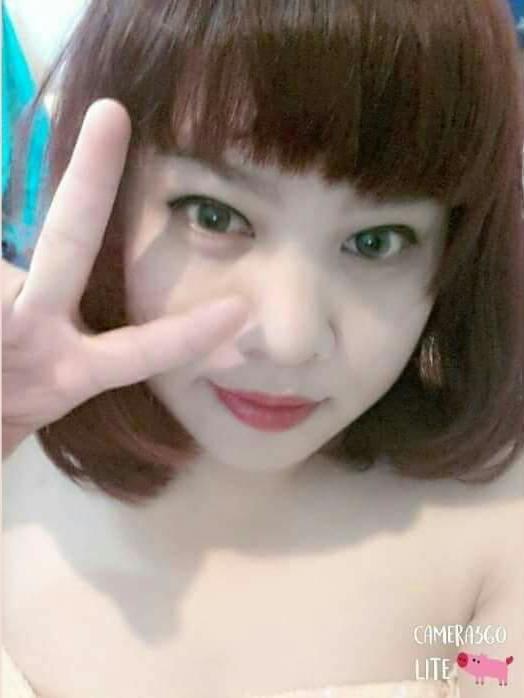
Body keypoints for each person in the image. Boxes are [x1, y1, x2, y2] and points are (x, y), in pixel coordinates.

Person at [2, 1, 524, 696]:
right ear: (114, 195)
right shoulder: (12, 438)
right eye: (215, 215)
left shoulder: (496, 527)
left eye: (377, 241)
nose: (289, 340)